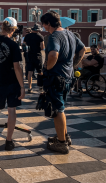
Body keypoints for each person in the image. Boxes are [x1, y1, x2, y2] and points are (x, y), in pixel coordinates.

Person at [41, 11, 85, 154]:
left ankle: (61, 143)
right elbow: (83, 49)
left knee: (58, 110)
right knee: (62, 108)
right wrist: (74, 65)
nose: (43, 27)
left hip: (56, 78)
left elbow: (53, 54)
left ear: (48, 23)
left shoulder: (54, 36)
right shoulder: (70, 34)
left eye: (44, 24)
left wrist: (47, 68)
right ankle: (64, 136)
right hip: (68, 77)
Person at [0, 17, 25, 151]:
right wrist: (22, 86)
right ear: (13, 30)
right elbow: (17, 67)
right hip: (12, 82)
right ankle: (9, 141)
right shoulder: (14, 45)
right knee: (11, 110)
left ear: (2, 27)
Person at [23, 24, 45, 93]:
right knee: (40, 71)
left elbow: (25, 43)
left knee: (30, 71)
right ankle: (41, 86)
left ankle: (30, 87)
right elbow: (42, 47)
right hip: (37, 55)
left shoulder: (27, 36)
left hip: (30, 54)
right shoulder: (40, 36)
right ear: (38, 30)